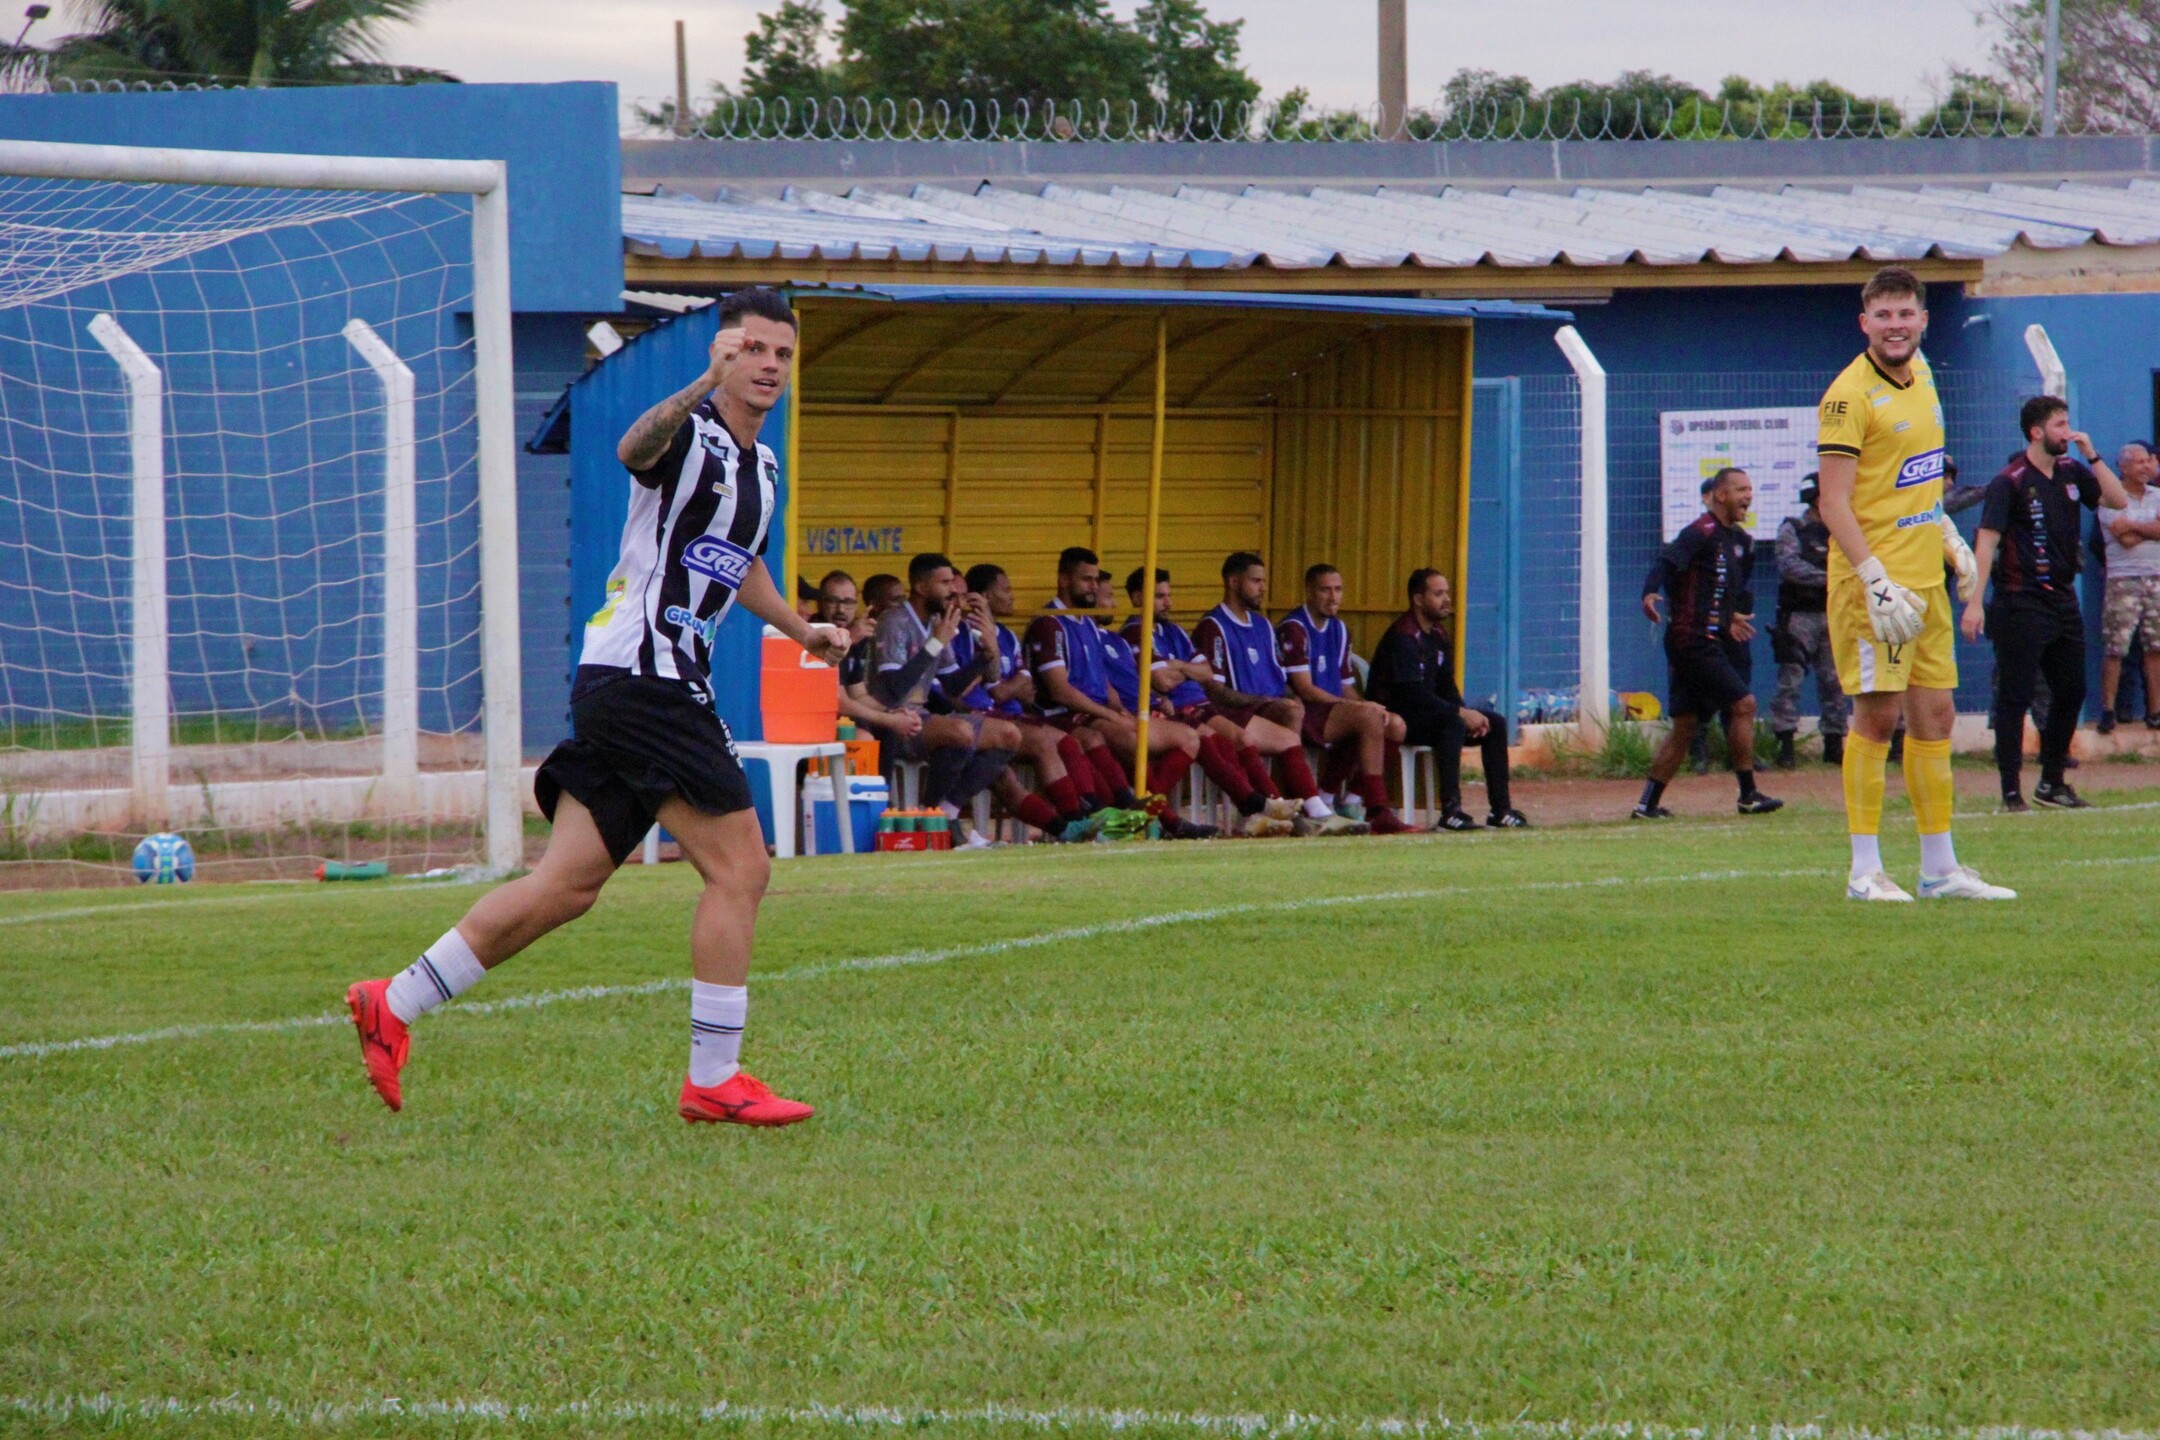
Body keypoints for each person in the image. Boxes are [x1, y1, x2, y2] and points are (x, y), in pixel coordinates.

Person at [345, 286, 843, 1126]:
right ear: (721, 354)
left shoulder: (761, 463)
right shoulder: (689, 431)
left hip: (633, 682)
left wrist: (802, 627)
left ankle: (393, 1001)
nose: (766, 365)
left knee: (567, 885)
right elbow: (629, 446)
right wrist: (697, 385)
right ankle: (713, 1078)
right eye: (750, 349)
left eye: (780, 354)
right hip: (648, 678)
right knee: (741, 868)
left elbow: (736, 559)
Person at [1815, 266, 2010, 900]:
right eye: (1884, 315)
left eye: (1906, 314)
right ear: (1864, 322)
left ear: (1923, 320)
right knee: (1876, 718)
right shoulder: (1848, 397)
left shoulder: (1925, 375)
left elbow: (1917, 481)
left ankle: (1939, 869)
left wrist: (1949, 537)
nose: (1896, 326)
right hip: (1874, 585)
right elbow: (1834, 502)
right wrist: (1872, 577)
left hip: (1925, 579)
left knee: (1937, 717)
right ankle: (1864, 872)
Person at [1960, 396, 2131, 810]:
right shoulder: (2011, 480)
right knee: (2014, 696)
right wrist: (1975, 601)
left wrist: (2093, 454)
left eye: (2068, 423)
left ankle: (2052, 783)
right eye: (2060, 425)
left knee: (2072, 691)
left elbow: (2118, 500)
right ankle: (2010, 791)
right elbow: (1987, 541)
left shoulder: (2073, 471)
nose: (2068, 433)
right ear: (2037, 432)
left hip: (2062, 600)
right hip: (2020, 601)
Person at [1634, 467, 1784, 821]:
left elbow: (1716, 589)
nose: (1748, 496)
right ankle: (1748, 794)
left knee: (1685, 725)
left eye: (1750, 489)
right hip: (1692, 640)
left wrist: (1729, 616)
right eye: (1740, 490)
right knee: (1743, 703)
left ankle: (1647, 804)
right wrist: (1651, 592)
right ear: (1720, 495)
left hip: (1705, 637)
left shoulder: (1738, 541)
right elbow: (1667, 563)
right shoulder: (1700, 531)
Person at [1190, 552, 1370, 836]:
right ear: (1233, 582)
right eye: (1256, 581)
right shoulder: (1213, 626)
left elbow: (1281, 678)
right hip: (1234, 711)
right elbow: (1215, 690)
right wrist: (1268, 701)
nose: (1262, 588)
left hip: (1266, 707)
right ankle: (1289, 808)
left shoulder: (1262, 625)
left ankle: (1310, 809)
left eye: (1263, 581)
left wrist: (1291, 696)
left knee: (1293, 714)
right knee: (1290, 712)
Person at [1122, 566, 1301, 837]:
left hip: (1201, 704)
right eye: (1159, 596)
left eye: (1168, 595)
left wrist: (1177, 665)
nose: (1167, 602)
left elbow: (1207, 674)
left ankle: (1263, 808)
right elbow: (1163, 682)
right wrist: (1185, 670)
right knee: (1216, 738)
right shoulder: (1134, 632)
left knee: (1235, 738)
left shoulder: (1175, 632)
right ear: (1137, 598)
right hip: (1177, 710)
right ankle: (1258, 806)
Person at [871, 552, 1028, 841]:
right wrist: (934, 644)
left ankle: (945, 810)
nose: (953, 591)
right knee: (960, 731)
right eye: (944, 583)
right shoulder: (894, 621)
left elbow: (954, 685)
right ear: (920, 587)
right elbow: (893, 689)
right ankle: (930, 816)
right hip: (890, 719)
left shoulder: (936, 623)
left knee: (1010, 735)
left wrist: (985, 655)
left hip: (922, 718)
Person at [947, 561, 1099, 839]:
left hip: (1003, 718)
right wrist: (1002, 681)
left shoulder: (1004, 634)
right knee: (1036, 748)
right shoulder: (956, 634)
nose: (1013, 595)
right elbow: (991, 690)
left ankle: (1086, 816)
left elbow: (1023, 686)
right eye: (1007, 589)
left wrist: (1003, 681)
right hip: (978, 719)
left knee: (1066, 740)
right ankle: (1075, 823)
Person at [1367, 569, 1528, 830]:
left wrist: (1466, 713)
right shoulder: (1403, 637)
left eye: (1447, 593)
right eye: (1438, 594)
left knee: (1494, 724)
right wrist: (1460, 715)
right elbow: (1411, 694)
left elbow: (1445, 686)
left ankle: (1501, 810)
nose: (1447, 599)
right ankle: (1450, 812)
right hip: (1401, 717)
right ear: (1418, 600)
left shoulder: (1439, 635)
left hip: (1431, 714)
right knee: (1452, 724)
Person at [1279, 564, 1414, 833]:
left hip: (1333, 710)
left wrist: (1365, 705)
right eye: (1325, 589)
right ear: (1309, 591)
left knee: (1395, 724)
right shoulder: (1294, 628)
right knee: (1367, 717)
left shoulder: (1340, 630)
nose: (1333, 597)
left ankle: (1346, 800)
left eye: (1338, 589)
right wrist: (1359, 708)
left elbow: (1347, 687)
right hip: (1304, 711)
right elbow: (1304, 689)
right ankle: (1378, 810)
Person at [1769, 474, 1849, 768]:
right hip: (1798, 617)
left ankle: (1834, 745)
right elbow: (1789, 566)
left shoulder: (1843, 528)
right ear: (1818, 497)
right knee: (1790, 680)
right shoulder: (1794, 528)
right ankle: (1785, 746)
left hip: (1835, 614)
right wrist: (1831, 579)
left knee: (1836, 682)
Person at [2095, 440, 2160, 733]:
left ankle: (2155, 711)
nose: (2146, 466)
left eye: (2148, 461)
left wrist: (2135, 527)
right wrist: (2152, 531)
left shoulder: (2157, 496)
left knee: (2155, 647)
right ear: (2122, 467)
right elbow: (2123, 539)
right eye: (2139, 462)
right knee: (2115, 648)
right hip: (2123, 580)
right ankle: (2108, 710)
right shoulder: (2109, 497)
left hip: (2156, 578)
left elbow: (2131, 532)